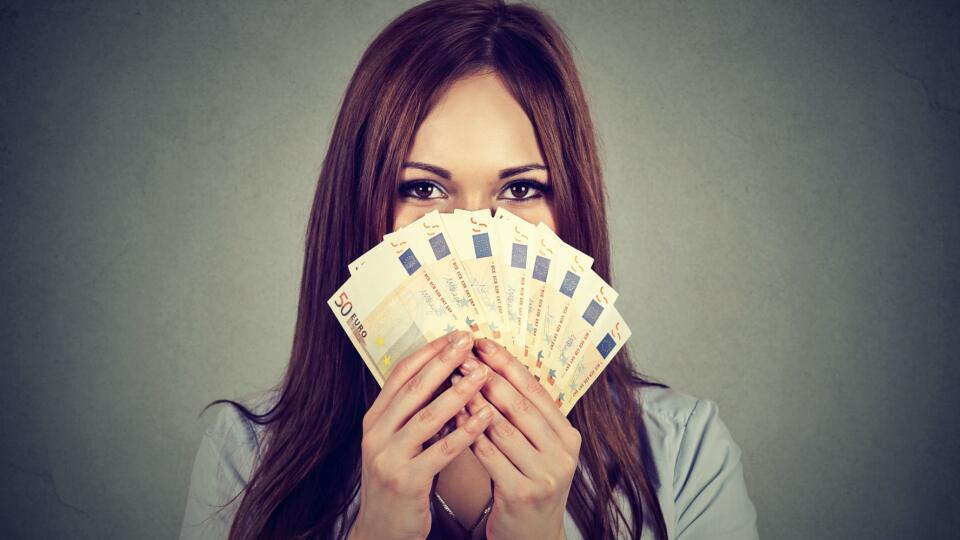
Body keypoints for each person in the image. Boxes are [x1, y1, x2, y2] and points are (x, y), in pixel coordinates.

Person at [179, 1, 759, 538]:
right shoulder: (247, 459)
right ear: (358, 211)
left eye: (522, 187)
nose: (474, 236)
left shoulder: (683, 454)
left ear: (573, 211)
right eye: (423, 187)